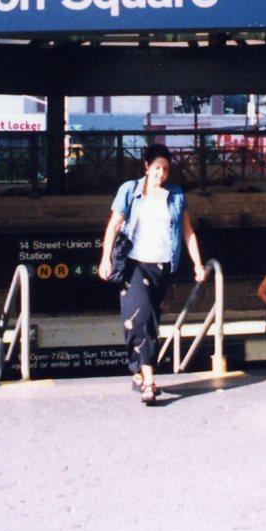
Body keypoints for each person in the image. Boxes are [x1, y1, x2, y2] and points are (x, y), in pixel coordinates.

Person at [98, 144, 207, 404]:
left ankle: (138, 370)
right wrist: (105, 258)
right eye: (157, 168)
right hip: (134, 264)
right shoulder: (130, 190)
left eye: (166, 169)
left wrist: (198, 264)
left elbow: (187, 231)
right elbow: (114, 225)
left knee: (149, 321)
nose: (161, 173)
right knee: (141, 317)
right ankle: (149, 381)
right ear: (146, 166)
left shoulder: (176, 194)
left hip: (161, 266)